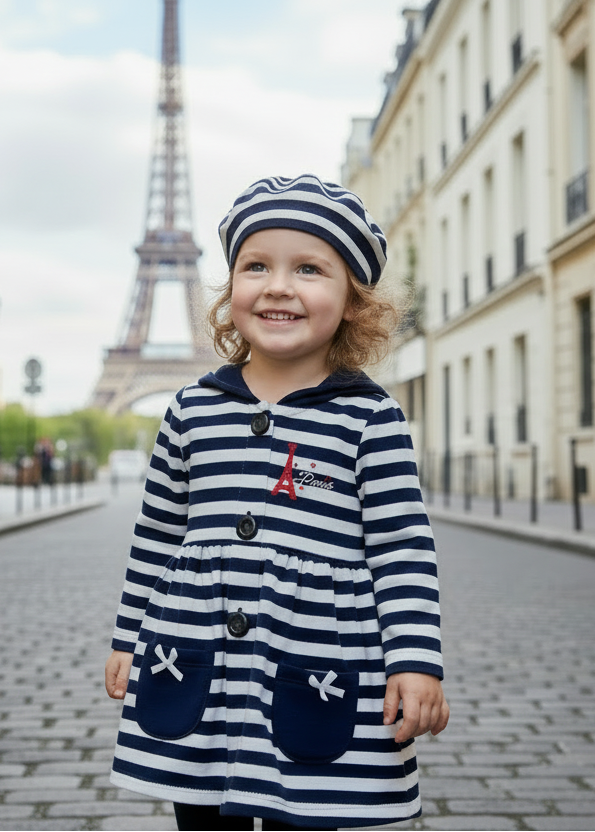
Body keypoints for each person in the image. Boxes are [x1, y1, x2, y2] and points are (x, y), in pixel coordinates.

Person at [105, 174, 449, 831]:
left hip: (313, 660)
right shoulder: (190, 409)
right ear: (230, 288)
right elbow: (157, 535)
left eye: (309, 269)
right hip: (198, 656)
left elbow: (402, 549)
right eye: (256, 266)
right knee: (201, 807)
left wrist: (414, 661)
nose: (278, 286)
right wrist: (129, 636)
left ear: (353, 302)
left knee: (311, 806)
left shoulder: (371, 419)